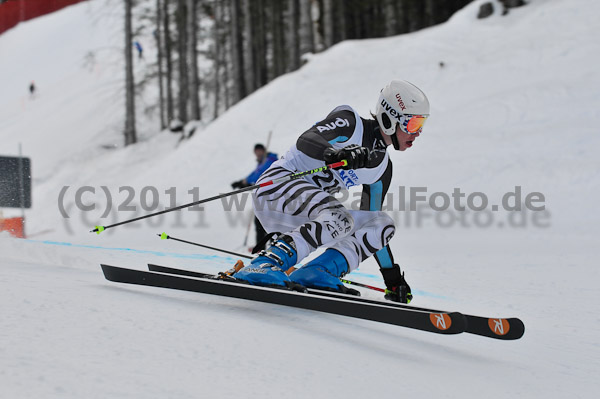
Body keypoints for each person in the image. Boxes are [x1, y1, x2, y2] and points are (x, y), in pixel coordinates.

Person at [233, 80, 430, 303]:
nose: (418, 133)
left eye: (421, 125)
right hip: (276, 189)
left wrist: (392, 277)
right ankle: (261, 266)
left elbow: (369, 220)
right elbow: (307, 140)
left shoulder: (382, 168)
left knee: (382, 224)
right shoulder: (350, 123)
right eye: (413, 125)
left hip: (302, 215)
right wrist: (333, 154)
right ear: (390, 118)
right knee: (338, 215)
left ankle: (319, 272)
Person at [231, 143, 278, 245]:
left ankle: (273, 248)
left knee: (268, 226)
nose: (257, 154)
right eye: (256, 152)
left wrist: (246, 182)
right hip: (264, 199)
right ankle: (262, 250)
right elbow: (255, 174)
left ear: (263, 150)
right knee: (261, 225)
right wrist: (243, 182)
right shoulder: (262, 162)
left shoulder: (270, 161)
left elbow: (259, 175)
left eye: (259, 151)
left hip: (272, 199)